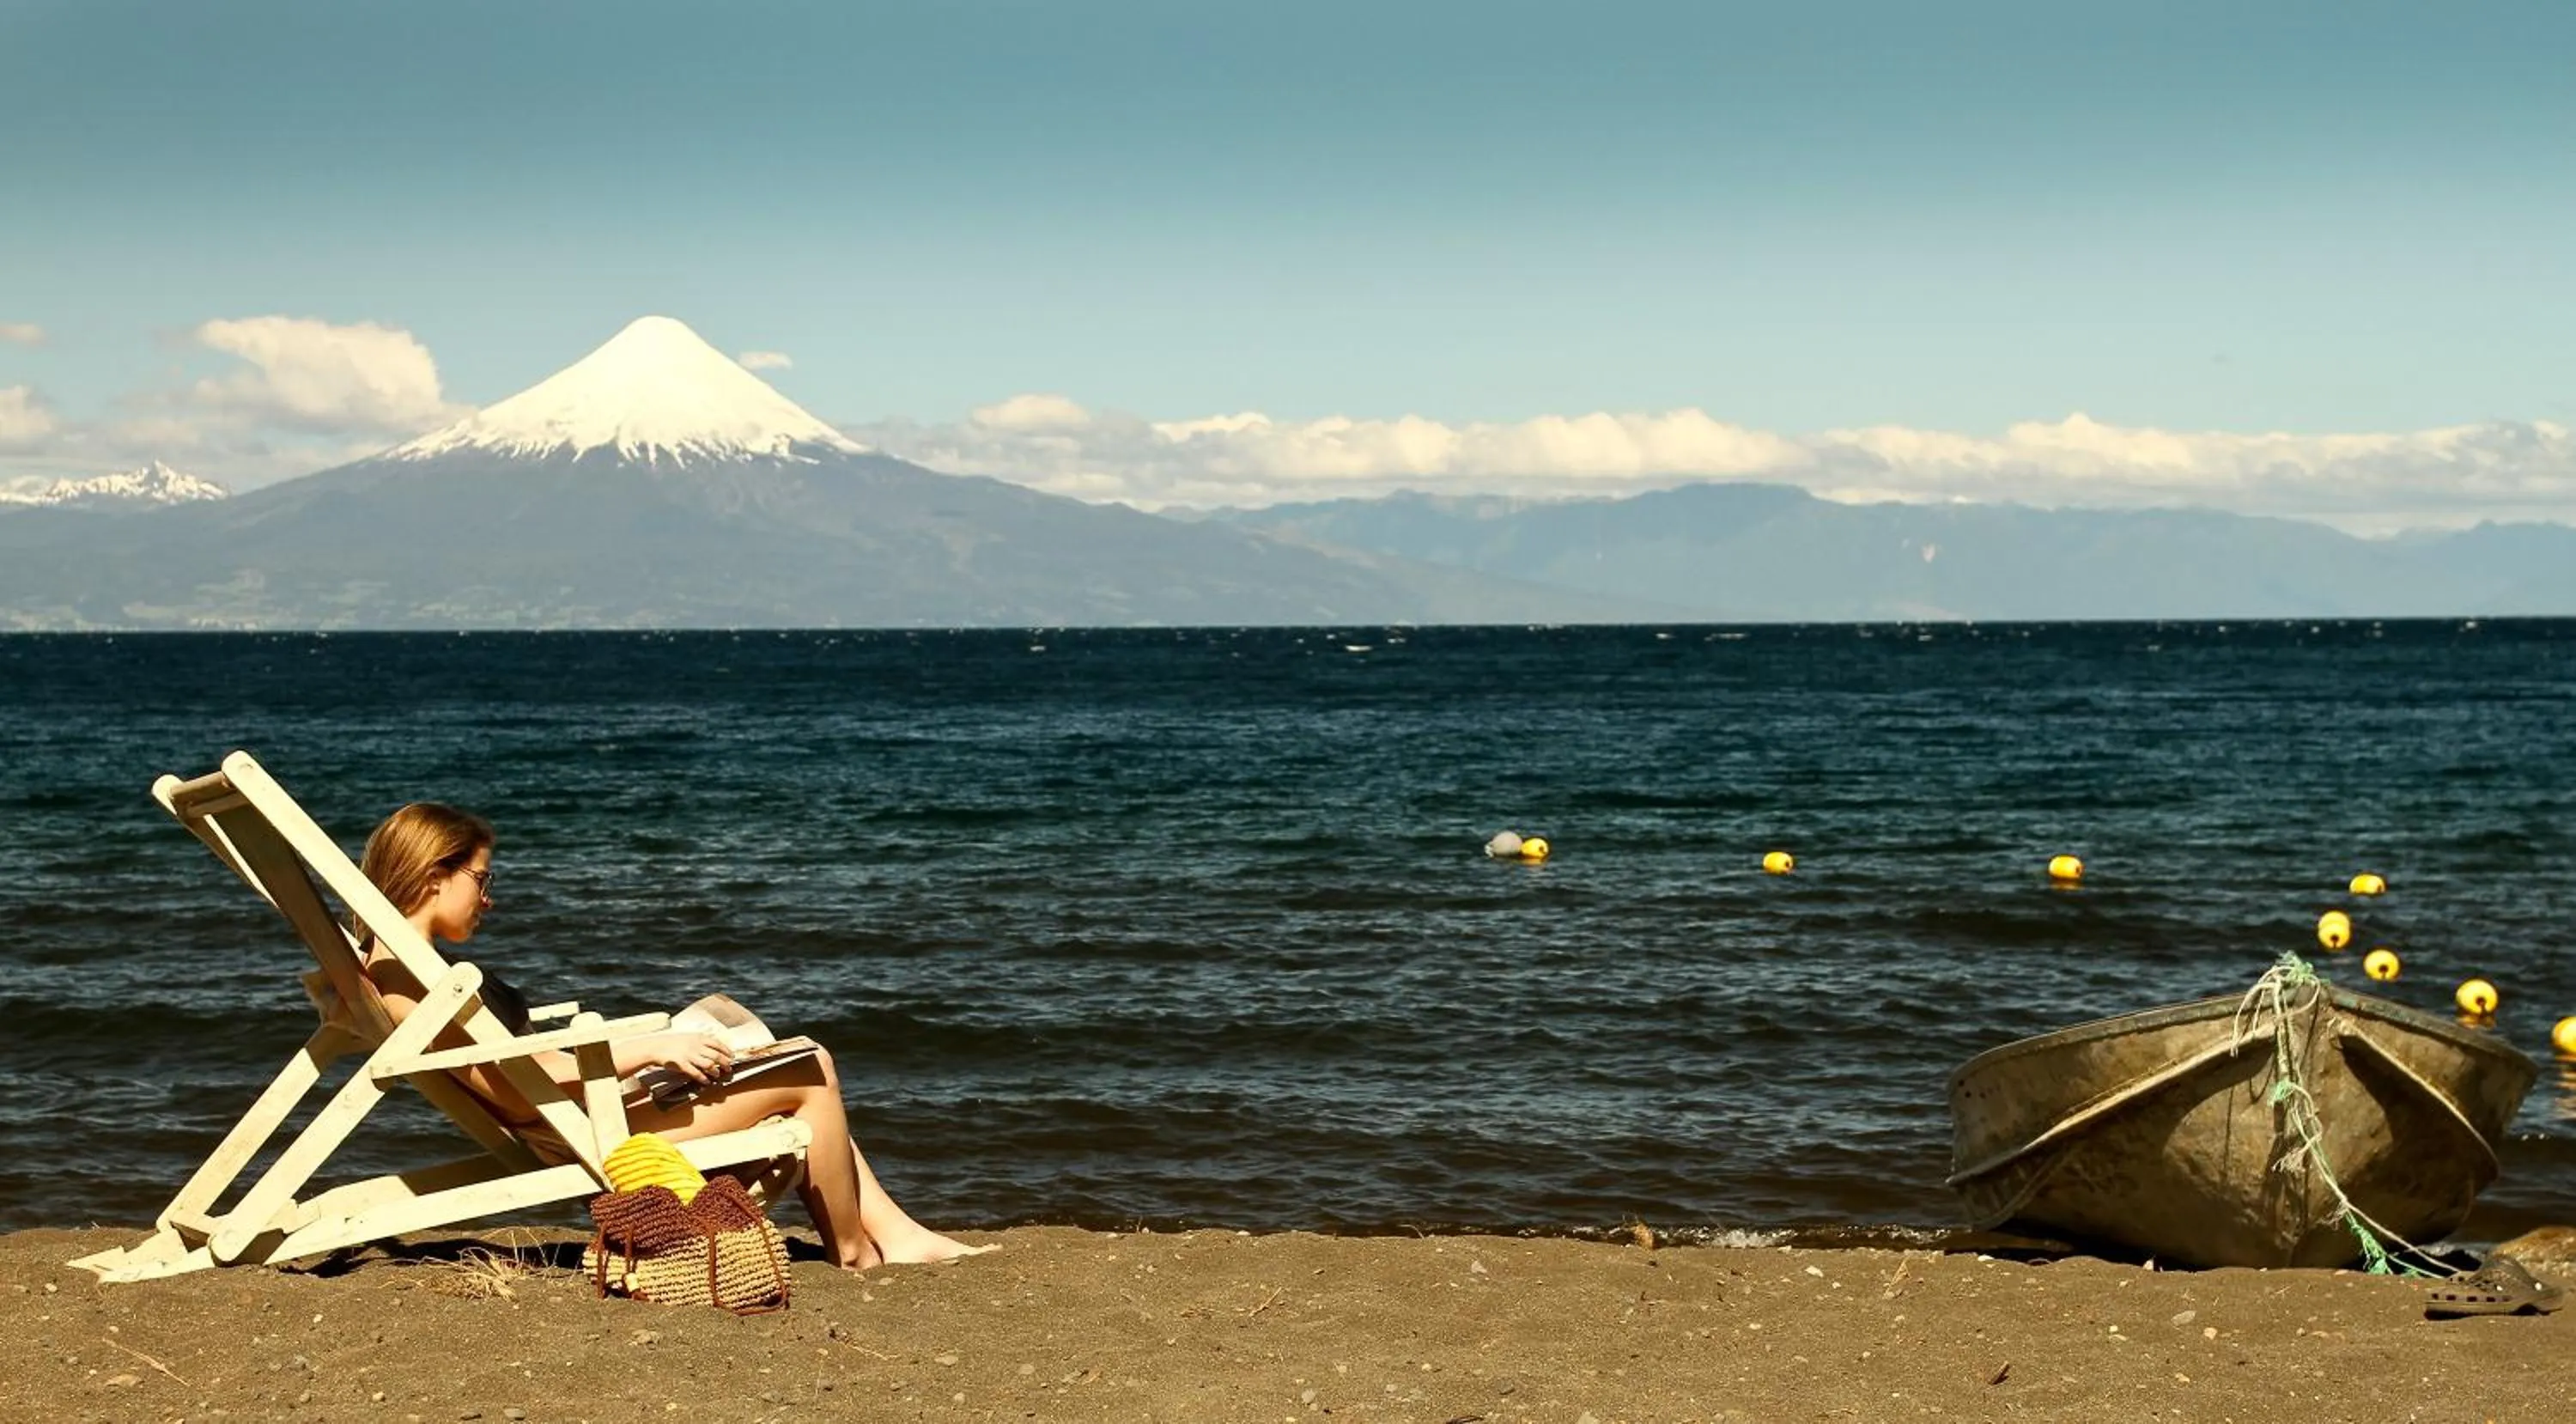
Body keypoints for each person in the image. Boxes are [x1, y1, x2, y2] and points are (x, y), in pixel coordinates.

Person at [352, 800, 983, 1269]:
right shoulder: (415, 978)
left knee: (781, 1058)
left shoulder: (400, 965)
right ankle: (854, 1253)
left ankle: (896, 1233)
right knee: (812, 1067)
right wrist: (651, 1052)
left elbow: (511, 1070)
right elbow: (519, 1082)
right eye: (482, 879)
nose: (489, 898)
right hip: (591, 1132)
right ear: (436, 876)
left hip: (582, 1112)